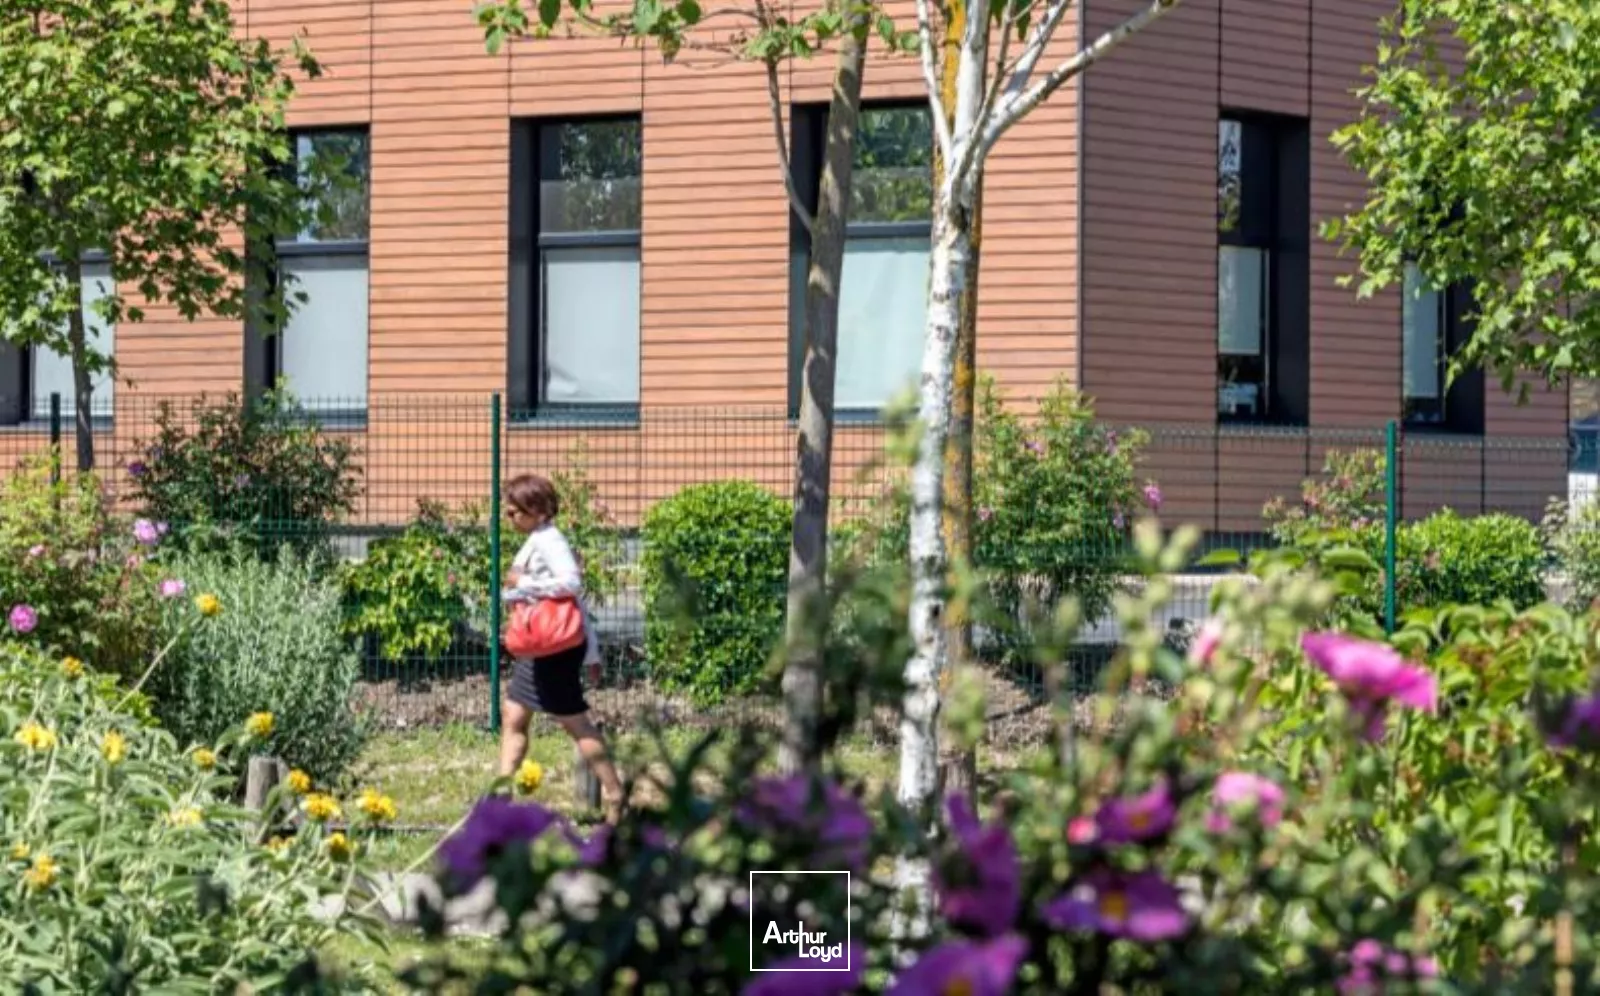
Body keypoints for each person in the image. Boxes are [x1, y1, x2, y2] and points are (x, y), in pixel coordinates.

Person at [499, 472, 625, 823]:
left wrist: (524, 582)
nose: (509, 518)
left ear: (538, 511)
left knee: (575, 724)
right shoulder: (536, 536)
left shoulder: (549, 540)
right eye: (508, 512)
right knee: (514, 714)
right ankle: (500, 798)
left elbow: (571, 584)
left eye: (515, 512)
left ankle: (615, 796)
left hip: (554, 649)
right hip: (541, 646)